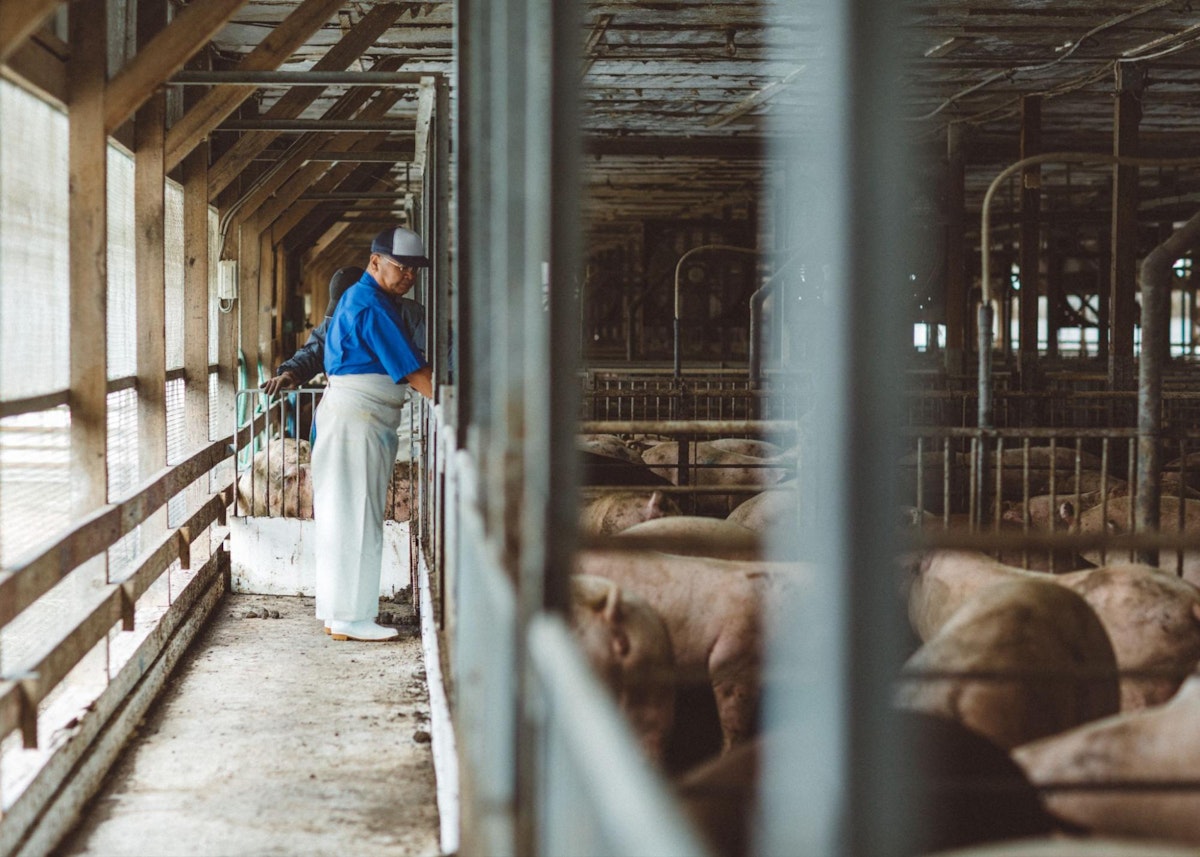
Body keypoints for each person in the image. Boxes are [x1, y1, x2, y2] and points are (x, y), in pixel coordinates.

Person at [312, 226, 434, 642]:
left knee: (344, 516)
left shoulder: (368, 299)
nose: (410, 277)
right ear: (375, 261)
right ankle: (351, 617)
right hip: (358, 419)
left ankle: (339, 613)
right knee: (358, 517)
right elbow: (414, 372)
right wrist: (454, 403)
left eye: (415, 270)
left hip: (358, 417)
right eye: (402, 268)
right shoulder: (371, 305)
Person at [262, 267, 427, 397]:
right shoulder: (335, 323)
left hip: (406, 406)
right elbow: (315, 350)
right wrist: (290, 373)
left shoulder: (407, 314)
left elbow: (435, 353)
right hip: (357, 403)